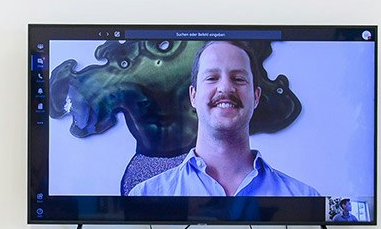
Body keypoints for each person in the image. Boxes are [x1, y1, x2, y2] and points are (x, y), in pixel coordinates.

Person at [128, 40, 320, 197]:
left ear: (256, 97)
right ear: (193, 96)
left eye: (238, 79)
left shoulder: (304, 197)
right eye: (212, 78)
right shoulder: (145, 196)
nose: (226, 88)